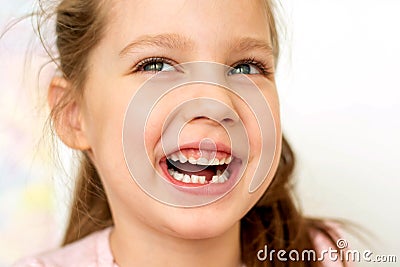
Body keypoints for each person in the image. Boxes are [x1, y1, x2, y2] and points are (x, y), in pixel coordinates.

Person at [14, 0, 349, 266]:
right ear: (74, 115)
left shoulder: (324, 256)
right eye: (156, 65)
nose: (216, 102)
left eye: (245, 68)